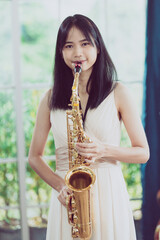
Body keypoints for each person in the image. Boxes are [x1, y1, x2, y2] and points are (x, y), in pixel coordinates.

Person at [28, 14, 150, 240]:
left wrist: (104, 150)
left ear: (98, 47)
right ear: (60, 51)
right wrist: (59, 186)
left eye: (85, 43)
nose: (77, 53)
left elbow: (143, 153)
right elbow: (34, 156)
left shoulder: (118, 92)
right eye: (69, 45)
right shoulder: (50, 98)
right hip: (69, 197)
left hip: (109, 195)